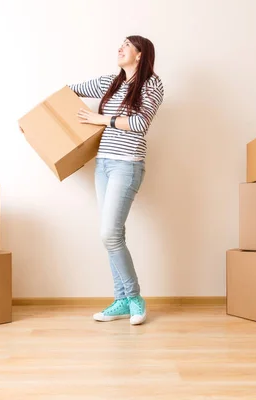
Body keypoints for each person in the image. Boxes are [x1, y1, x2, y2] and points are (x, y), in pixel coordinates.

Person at [68, 35, 164, 325]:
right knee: (112, 236)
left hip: (127, 166)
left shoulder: (151, 84)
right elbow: (67, 92)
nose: (119, 48)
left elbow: (139, 124)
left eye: (126, 45)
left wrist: (103, 120)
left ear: (140, 54)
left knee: (109, 234)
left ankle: (134, 297)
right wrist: (41, 128)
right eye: (119, 44)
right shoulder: (109, 82)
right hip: (104, 165)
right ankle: (121, 300)